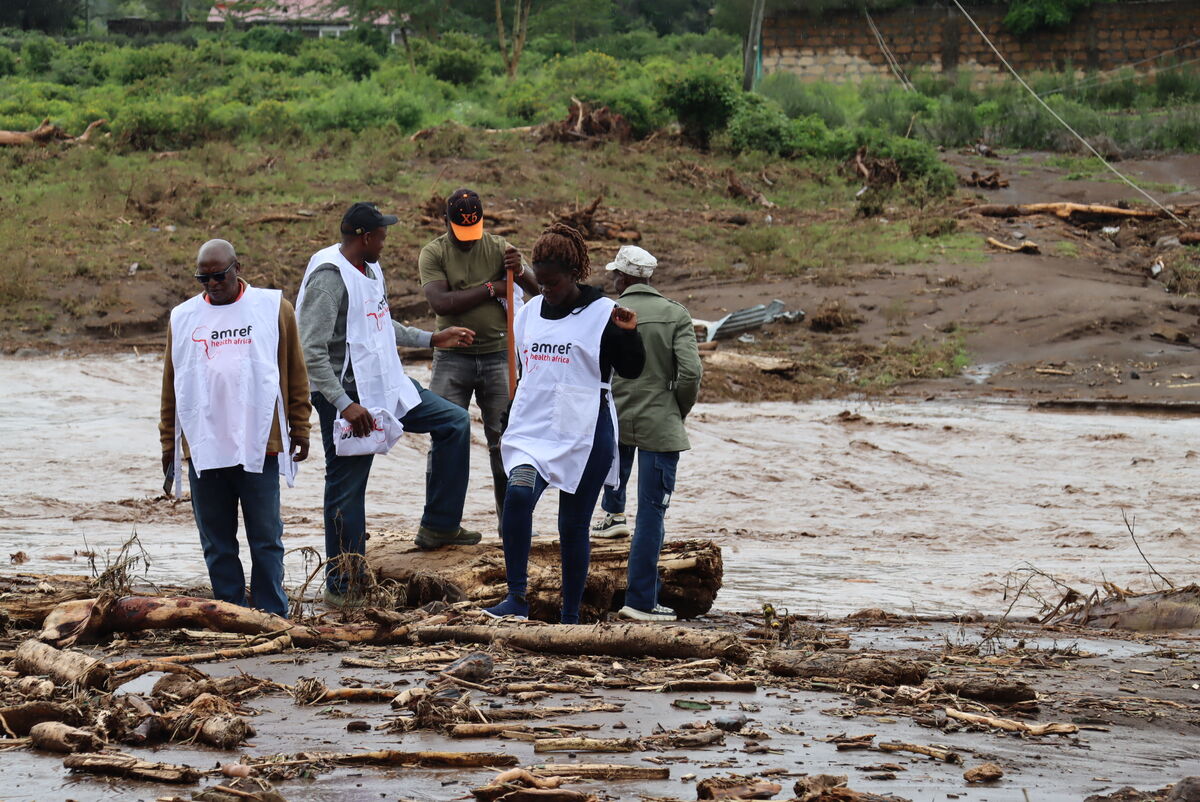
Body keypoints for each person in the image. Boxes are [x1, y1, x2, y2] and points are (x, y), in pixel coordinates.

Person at [297, 202, 479, 607]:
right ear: (364, 237)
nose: (386, 241)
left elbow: (379, 322)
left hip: (386, 383)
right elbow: (310, 350)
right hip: (348, 395)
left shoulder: (369, 268)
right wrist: (344, 404)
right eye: (381, 235)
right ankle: (342, 586)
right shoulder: (329, 278)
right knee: (346, 488)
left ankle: (439, 525)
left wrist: (431, 339)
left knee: (453, 422)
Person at [486, 224, 645, 624]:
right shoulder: (528, 314)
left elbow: (632, 369)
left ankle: (569, 617)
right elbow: (528, 373)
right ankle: (516, 598)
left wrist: (629, 336)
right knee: (518, 496)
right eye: (540, 283)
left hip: (585, 432)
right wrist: (511, 412)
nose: (546, 290)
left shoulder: (604, 313)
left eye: (553, 283)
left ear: (574, 274)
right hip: (533, 428)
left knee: (572, 525)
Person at [159, 238, 311, 618]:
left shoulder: (273, 309)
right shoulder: (183, 318)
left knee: (266, 538)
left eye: (219, 276)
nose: (212, 284)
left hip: (260, 444)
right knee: (217, 542)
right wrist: (168, 445)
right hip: (204, 446)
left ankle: (272, 614)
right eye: (203, 278)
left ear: (237, 268)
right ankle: (232, 613)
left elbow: (295, 372)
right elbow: (172, 385)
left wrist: (301, 427)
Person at [591, 246, 702, 622]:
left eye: (615, 275)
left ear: (623, 278)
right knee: (652, 512)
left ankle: (612, 514)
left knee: (605, 479)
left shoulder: (606, 312)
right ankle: (640, 601)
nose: (612, 279)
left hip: (613, 415)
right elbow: (690, 373)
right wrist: (675, 410)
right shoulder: (675, 314)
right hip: (660, 419)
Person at [420, 188, 539, 533]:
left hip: (498, 356)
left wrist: (521, 271)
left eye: (474, 231)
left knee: (506, 442)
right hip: (451, 359)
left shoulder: (501, 248)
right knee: (445, 439)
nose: (470, 239)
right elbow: (441, 303)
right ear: (445, 222)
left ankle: (512, 527)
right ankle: (439, 527)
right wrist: (490, 288)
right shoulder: (434, 252)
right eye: (462, 232)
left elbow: (539, 291)